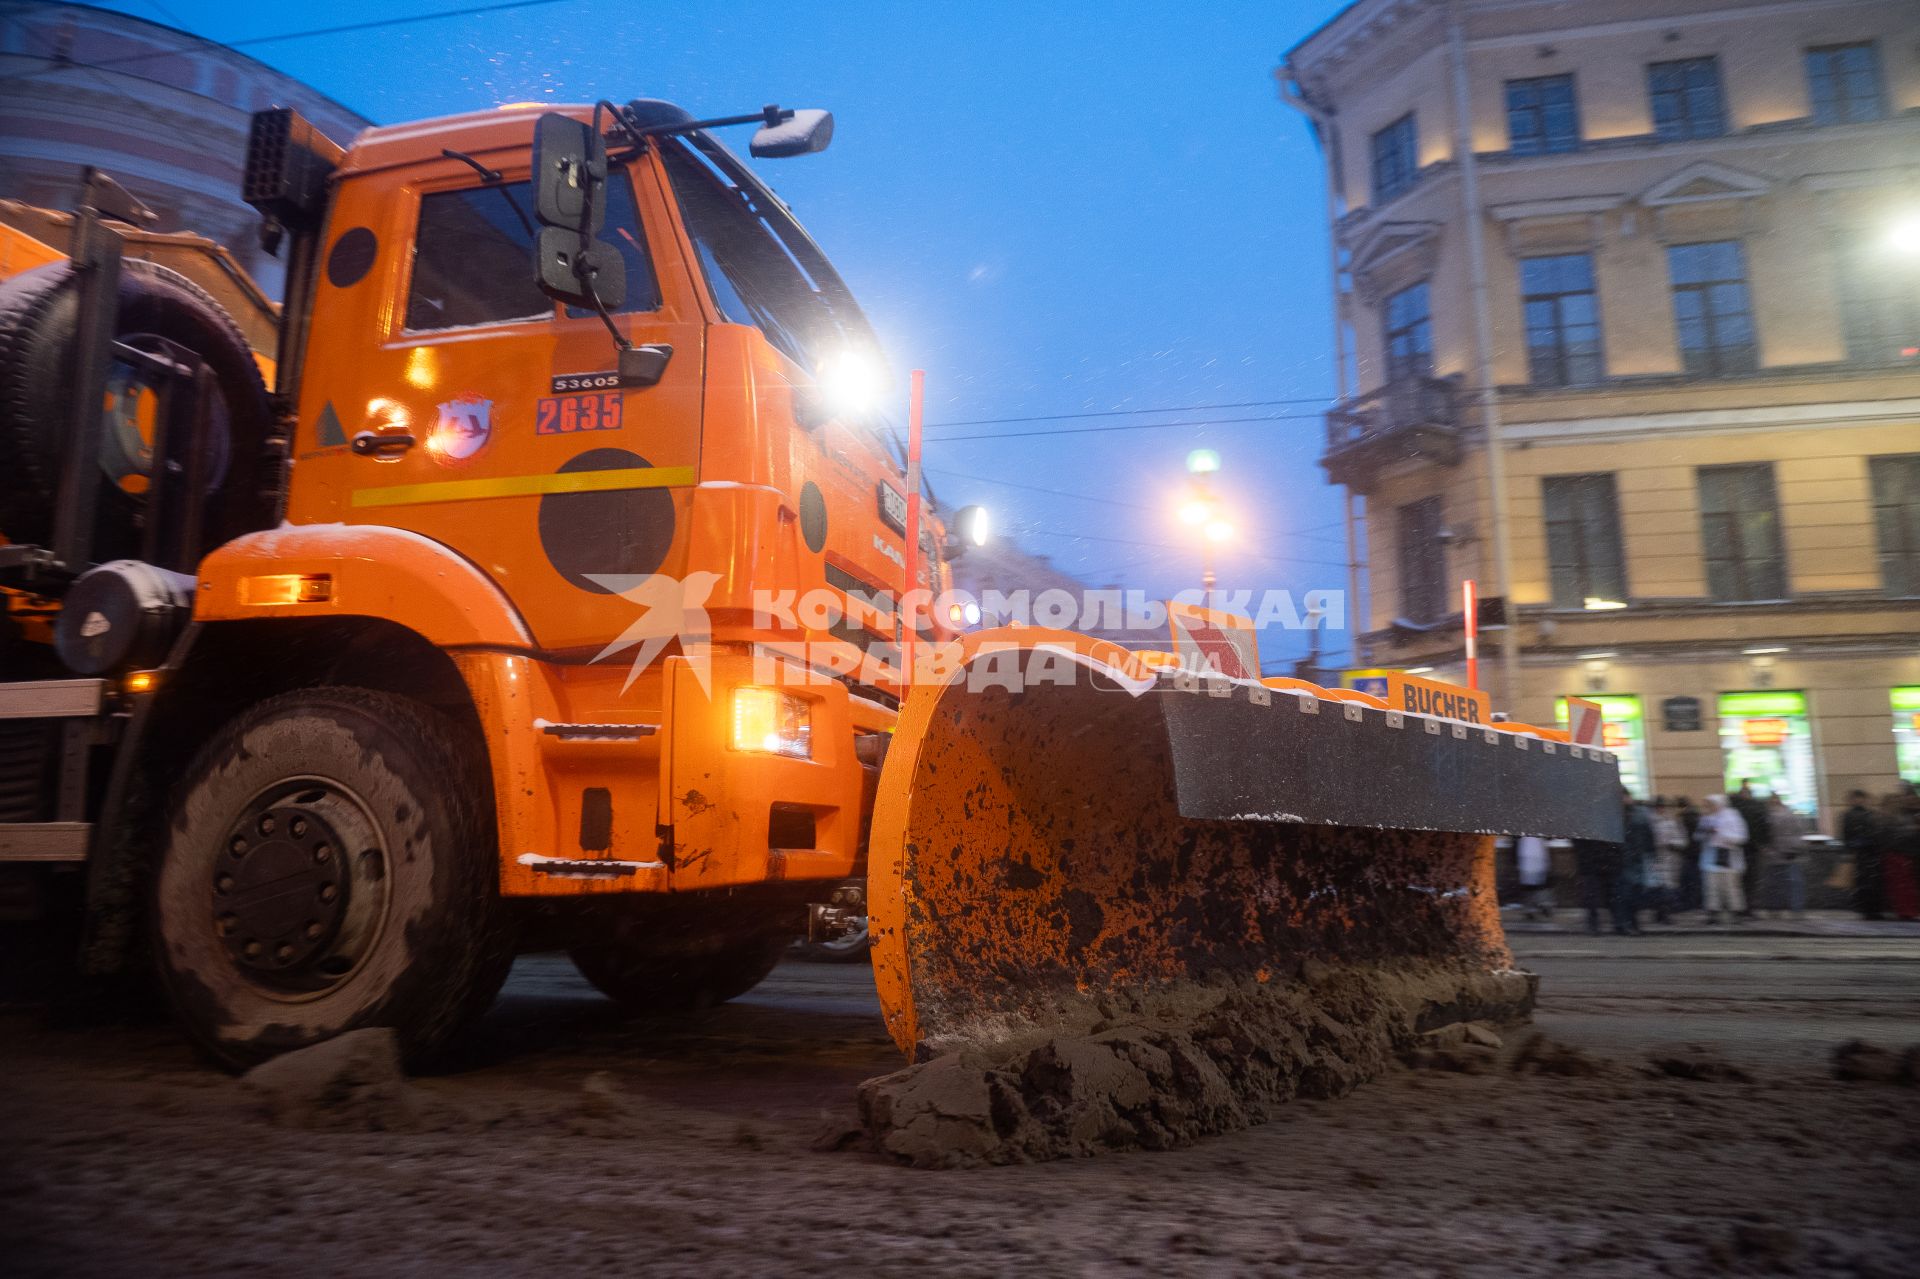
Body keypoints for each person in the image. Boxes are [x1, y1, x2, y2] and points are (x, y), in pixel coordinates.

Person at [1698, 794, 1749, 925]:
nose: (1710, 807)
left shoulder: (1732, 817)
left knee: (1730, 887)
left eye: (1712, 804)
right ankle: (1713, 912)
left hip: (1728, 857)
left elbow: (1740, 837)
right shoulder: (1707, 817)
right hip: (1711, 857)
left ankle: (1735, 912)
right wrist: (1706, 833)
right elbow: (1698, 835)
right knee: (1712, 886)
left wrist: (1720, 834)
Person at [1762, 794, 1808, 918]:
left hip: (1778, 854)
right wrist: (1796, 847)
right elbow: (1800, 832)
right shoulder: (1789, 814)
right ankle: (1796, 910)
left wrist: (1768, 849)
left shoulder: (1768, 816)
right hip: (1788, 853)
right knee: (1793, 883)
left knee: (1777, 883)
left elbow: (1767, 835)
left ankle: (1777, 909)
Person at [1880, 783, 1920, 922]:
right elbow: (1893, 834)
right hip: (1901, 854)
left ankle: (1908, 911)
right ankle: (1907, 911)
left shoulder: (1906, 813)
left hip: (1906, 854)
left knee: (1906, 886)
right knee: (1903, 886)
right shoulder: (1898, 815)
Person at [1842, 789, 1884, 920]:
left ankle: (1871, 909)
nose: (1859, 800)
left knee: (1868, 883)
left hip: (1867, 852)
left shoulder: (1864, 814)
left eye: (1860, 798)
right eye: (1857, 798)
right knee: (1866, 883)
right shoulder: (1856, 814)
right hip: (1864, 853)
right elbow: (1847, 834)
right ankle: (1869, 909)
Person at [1731, 780, 1771, 919]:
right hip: (1752, 848)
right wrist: (1764, 843)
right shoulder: (1757, 807)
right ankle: (1748, 907)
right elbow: (1765, 826)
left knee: (1739, 880)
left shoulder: (1734, 808)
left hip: (1738, 848)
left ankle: (1739, 908)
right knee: (1751, 880)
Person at [1616, 790, 1652, 935]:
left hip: (1637, 858)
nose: (1626, 799)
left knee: (1635, 894)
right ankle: (1625, 924)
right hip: (1623, 861)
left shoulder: (1639, 813)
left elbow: (1648, 835)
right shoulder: (1617, 815)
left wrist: (1651, 854)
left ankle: (1632, 923)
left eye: (1626, 796)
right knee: (1625, 895)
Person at [1572, 833, 1621, 936]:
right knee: (1603, 894)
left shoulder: (1586, 828)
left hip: (1595, 863)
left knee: (1595, 894)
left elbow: (1577, 843)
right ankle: (1614, 923)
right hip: (1597, 863)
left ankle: (1596, 924)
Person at [1648, 797, 1687, 925]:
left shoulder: (1672, 822)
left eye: (1662, 806)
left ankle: (1665, 913)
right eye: (1658, 807)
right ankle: (1660, 913)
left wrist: (1671, 843)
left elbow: (1683, 841)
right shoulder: (1649, 822)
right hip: (1655, 856)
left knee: (1668, 887)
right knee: (1658, 885)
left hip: (1670, 857)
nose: (1661, 809)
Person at [1516, 834, 1554, 921]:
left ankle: (1536, 907)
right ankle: (1539, 906)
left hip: (1532, 855)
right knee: (1534, 884)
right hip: (1530, 855)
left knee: (1534, 884)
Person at [1676, 796, 1703, 912]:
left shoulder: (1685, 817)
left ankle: (1689, 903)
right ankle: (1695, 902)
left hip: (1689, 852)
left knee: (1688, 879)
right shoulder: (1697, 815)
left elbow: (1685, 837)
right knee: (1695, 879)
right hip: (1697, 852)